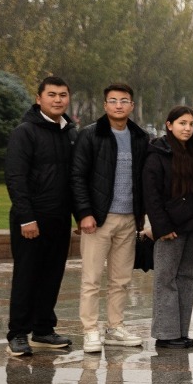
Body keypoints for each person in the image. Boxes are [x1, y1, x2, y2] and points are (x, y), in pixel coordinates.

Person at [71, 82, 149, 353]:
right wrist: (84, 213)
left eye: (124, 100)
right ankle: (90, 330)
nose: (118, 105)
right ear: (105, 106)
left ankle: (115, 327)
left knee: (121, 279)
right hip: (98, 219)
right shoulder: (90, 135)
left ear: (132, 106)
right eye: (113, 101)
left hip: (128, 218)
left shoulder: (140, 137)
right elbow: (77, 177)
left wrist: (143, 216)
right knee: (91, 279)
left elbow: (144, 179)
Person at [4, 76, 78, 357]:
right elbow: (15, 177)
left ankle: (43, 329)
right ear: (39, 99)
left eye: (63, 94)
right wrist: (26, 218)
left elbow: (75, 179)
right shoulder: (25, 132)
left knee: (52, 275)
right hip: (31, 220)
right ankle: (18, 333)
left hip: (59, 219)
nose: (58, 99)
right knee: (27, 275)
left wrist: (80, 215)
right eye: (52, 95)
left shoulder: (70, 133)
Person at [142, 105, 193, 349]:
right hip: (170, 227)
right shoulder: (157, 153)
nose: (187, 128)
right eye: (182, 123)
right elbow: (152, 194)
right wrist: (161, 226)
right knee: (166, 279)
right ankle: (165, 334)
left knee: (189, 278)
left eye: (191, 124)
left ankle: (180, 331)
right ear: (169, 125)